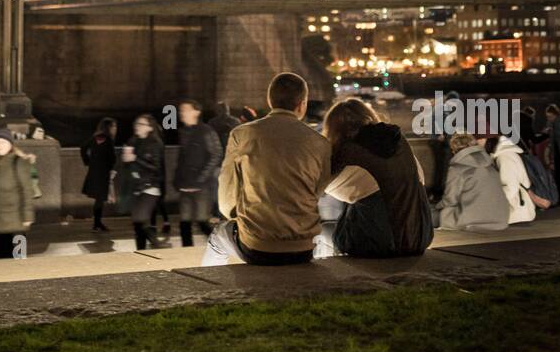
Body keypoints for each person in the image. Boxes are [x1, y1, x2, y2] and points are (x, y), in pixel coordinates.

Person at [203, 72, 330, 266]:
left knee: (217, 237)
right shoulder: (320, 143)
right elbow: (317, 191)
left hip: (256, 246)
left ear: (270, 101)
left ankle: (212, 293)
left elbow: (227, 196)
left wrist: (242, 218)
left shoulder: (242, 134)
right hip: (304, 247)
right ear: (302, 104)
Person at [322, 98, 433, 257]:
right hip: (421, 237)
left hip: (383, 244)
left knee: (329, 227)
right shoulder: (398, 141)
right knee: (361, 198)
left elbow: (327, 187)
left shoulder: (351, 151)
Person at [433, 133, 510, 232]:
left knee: (429, 216)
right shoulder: (489, 163)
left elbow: (450, 200)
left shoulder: (458, 168)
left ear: (453, 150)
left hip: (470, 220)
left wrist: (436, 207)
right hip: (500, 219)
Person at [0, 128, 34, 258]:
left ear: (11, 144)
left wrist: (27, 216)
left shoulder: (19, 162)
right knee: (1, 259)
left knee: (19, 257)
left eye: (3, 142)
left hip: (18, 220)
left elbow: (27, 190)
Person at [175, 99, 221, 247]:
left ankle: (220, 248)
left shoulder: (206, 131)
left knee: (202, 223)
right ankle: (186, 255)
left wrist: (202, 178)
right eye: (181, 110)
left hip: (201, 187)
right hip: (185, 185)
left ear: (196, 112)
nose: (182, 113)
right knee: (184, 224)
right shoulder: (183, 132)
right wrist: (177, 179)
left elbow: (216, 154)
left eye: (185, 110)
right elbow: (182, 159)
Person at [124, 115, 167, 249]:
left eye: (141, 124)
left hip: (150, 186)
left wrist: (135, 158)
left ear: (149, 127)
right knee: (138, 223)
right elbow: (127, 163)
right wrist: (126, 160)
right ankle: (141, 251)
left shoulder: (155, 143)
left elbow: (155, 167)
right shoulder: (133, 140)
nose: (137, 126)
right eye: (136, 123)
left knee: (140, 220)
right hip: (136, 185)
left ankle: (158, 245)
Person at [485, 134, 536, 224]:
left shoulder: (504, 158)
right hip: (520, 210)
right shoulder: (508, 154)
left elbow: (511, 187)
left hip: (515, 213)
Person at [80, 118, 117, 232]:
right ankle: (97, 224)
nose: (115, 129)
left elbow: (83, 148)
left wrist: (87, 161)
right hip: (103, 172)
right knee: (100, 199)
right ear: (109, 127)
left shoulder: (96, 137)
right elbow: (111, 157)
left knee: (99, 199)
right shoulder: (109, 139)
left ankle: (97, 223)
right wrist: (112, 169)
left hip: (94, 171)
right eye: (114, 126)